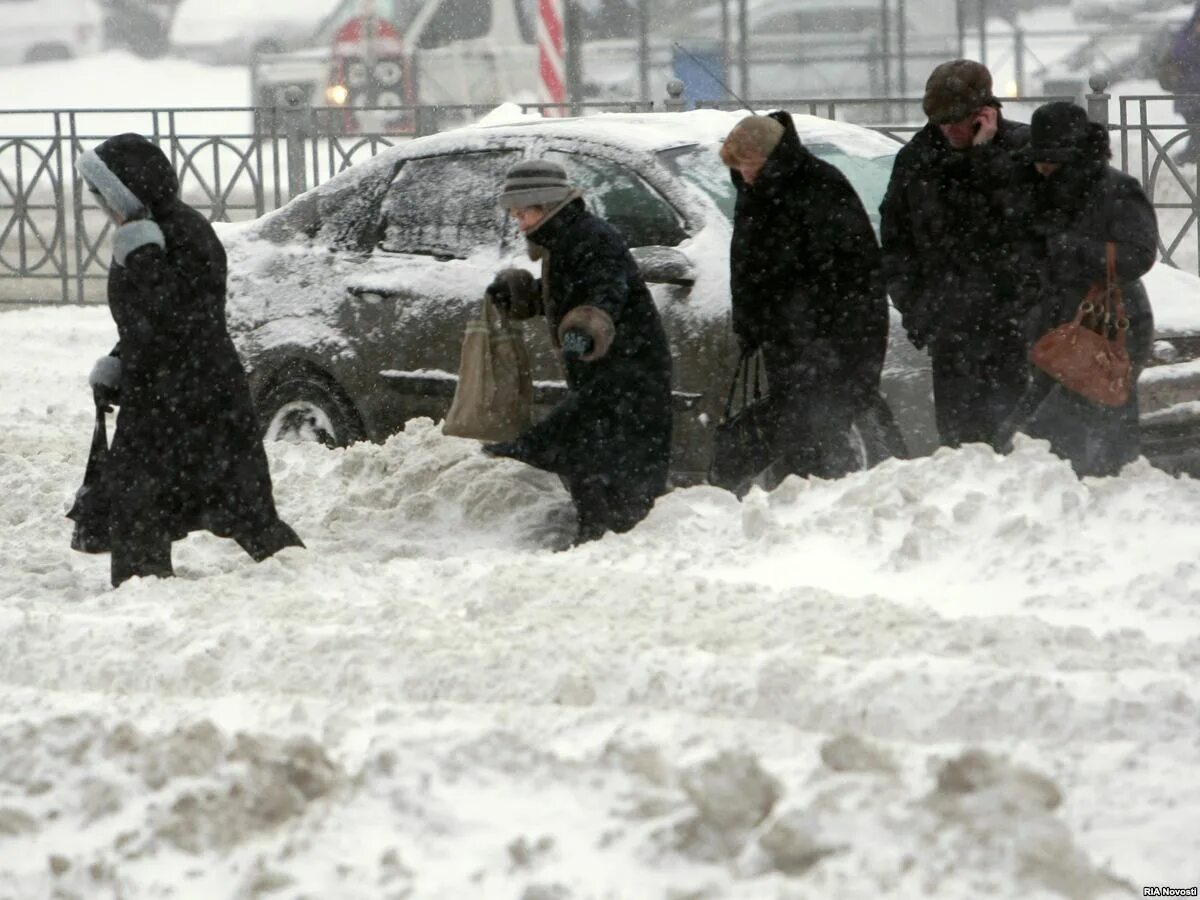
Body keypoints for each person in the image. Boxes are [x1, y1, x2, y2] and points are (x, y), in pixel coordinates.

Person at [77, 132, 303, 586]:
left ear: (127, 189)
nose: (99, 204)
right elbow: (145, 318)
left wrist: (143, 256)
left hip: (194, 392)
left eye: (102, 193)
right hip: (166, 388)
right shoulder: (146, 232)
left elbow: (182, 313)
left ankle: (294, 576)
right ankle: (146, 581)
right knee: (153, 499)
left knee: (230, 498)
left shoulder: (178, 234)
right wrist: (119, 360)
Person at [481, 160, 674, 544]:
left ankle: (620, 546)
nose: (519, 222)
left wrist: (585, 331)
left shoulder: (591, 238)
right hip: (604, 374)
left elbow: (607, 293)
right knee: (591, 462)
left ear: (546, 205)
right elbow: (566, 295)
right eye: (515, 214)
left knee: (612, 464)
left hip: (631, 372)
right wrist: (521, 294)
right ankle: (596, 541)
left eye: (523, 212)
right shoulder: (562, 239)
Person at [719, 110, 888, 481]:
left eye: (749, 165)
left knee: (821, 438)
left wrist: (825, 339)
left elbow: (854, 277)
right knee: (796, 437)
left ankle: (825, 505)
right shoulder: (757, 191)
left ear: (771, 157)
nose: (744, 176)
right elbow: (748, 264)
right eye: (739, 168)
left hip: (826, 343)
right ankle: (803, 501)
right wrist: (750, 322)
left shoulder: (820, 187)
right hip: (787, 342)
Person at [880, 59, 1033, 450]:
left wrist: (984, 160)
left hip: (1014, 326)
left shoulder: (1022, 150)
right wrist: (919, 309)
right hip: (950, 327)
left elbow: (1020, 224)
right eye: (939, 120)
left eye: (957, 119)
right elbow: (897, 241)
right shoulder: (917, 159)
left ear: (984, 113)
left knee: (1019, 442)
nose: (949, 129)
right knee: (961, 444)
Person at [1001, 102, 1158, 477]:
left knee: (1088, 424)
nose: (1041, 167)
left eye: (1049, 159)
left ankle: (1101, 496)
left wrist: (1069, 247)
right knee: (1049, 428)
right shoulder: (1039, 188)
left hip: (1108, 325)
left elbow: (1138, 255)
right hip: (1058, 325)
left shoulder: (1117, 189)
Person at [1169, 3, 1200, 164]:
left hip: (1191, 94)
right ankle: (1186, 158)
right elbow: (1180, 55)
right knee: (1196, 130)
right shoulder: (1187, 36)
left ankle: (1186, 158)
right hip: (1190, 95)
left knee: (1196, 133)